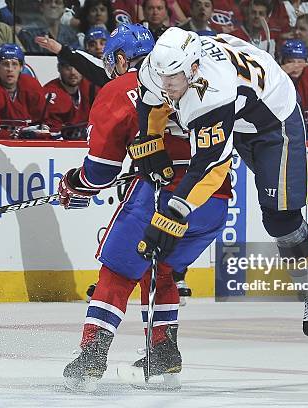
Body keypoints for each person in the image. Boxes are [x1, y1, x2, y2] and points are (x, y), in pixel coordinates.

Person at [135, 28, 308, 352]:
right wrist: (149, 139)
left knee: (280, 218)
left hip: (272, 112)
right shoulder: (160, 66)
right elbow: (150, 100)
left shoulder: (211, 95)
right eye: (161, 73)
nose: (166, 83)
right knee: (280, 171)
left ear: (193, 67)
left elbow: (211, 166)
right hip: (243, 102)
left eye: (173, 76)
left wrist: (174, 212)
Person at [56, 23, 232, 391]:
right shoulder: (196, 76)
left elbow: (101, 172)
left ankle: (92, 356)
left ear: (120, 59)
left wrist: (75, 183)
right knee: (161, 269)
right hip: (214, 200)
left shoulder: (120, 88)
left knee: (118, 271)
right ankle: (163, 354)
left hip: (163, 196)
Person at [43, 60, 95, 139]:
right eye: (67, 68)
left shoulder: (91, 88)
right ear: (59, 68)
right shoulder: (50, 93)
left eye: (77, 67)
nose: (73, 72)